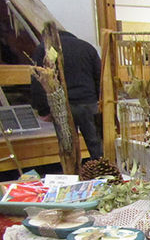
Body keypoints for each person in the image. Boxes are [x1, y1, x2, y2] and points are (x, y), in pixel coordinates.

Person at [31, 30, 103, 160]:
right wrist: (99, 101)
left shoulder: (45, 49)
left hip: (62, 105)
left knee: (68, 148)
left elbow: (38, 81)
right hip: (88, 102)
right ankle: (103, 173)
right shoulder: (87, 47)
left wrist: (43, 109)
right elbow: (100, 77)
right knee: (96, 144)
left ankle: (72, 174)